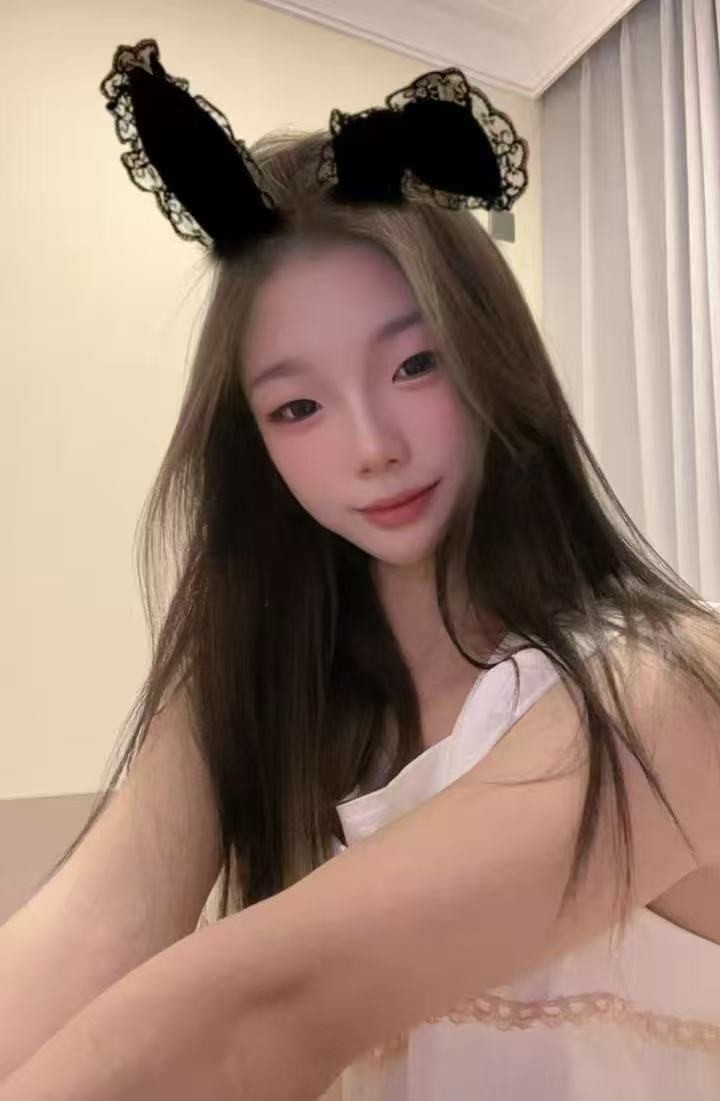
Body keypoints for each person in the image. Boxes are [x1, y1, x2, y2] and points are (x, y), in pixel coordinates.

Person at [1, 37, 719, 1101]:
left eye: (415, 363)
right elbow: (94, 930)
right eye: (299, 406)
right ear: (255, 446)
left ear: (492, 359)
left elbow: (252, 1015)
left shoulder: (668, 686)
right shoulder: (265, 687)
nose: (372, 445)